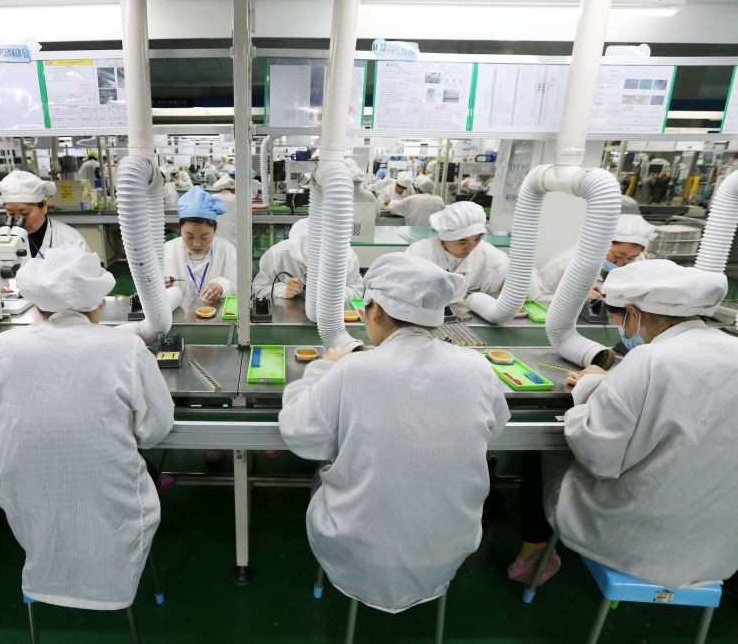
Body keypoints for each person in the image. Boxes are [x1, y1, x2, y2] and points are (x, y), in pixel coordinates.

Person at [279, 252, 510, 612]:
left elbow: (301, 437)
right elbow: (495, 426)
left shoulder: (353, 370)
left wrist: (323, 368)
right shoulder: (477, 368)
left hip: (355, 554)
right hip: (447, 553)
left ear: (377, 311)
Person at [0, 245, 174, 608]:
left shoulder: (3, 346)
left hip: (31, 509)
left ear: (38, 306)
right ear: (99, 304)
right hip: (114, 509)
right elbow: (154, 431)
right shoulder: (126, 348)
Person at [510, 260, 738, 589]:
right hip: (718, 543)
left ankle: (536, 552)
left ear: (632, 313)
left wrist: (591, 388)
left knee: (543, 450)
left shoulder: (650, 360)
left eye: (617, 319)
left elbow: (598, 456)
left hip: (636, 539)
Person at [534, 214, 656, 304]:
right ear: (602, 243)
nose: (622, 263)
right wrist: (571, 298)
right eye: (618, 255)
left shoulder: (639, 261)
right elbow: (537, 297)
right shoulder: (568, 261)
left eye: (631, 258)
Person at [406, 201, 509, 301]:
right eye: (462, 242)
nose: (470, 247)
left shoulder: (494, 259)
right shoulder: (418, 255)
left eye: (477, 239)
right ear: (444, 238)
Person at [252, 218, 363, 301]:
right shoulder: (277, 255)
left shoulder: (346, 257)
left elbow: (357, 291)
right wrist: (283, 290)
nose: (308, 269)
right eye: (304, 264)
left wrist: (333, 293)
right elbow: (257, 290)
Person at [163, 187, 237, 304]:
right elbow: (148, 286)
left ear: (215, 228)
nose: (196, 244)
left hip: (217, 318)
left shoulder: (227, 251)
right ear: (180, 228)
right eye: (189, 236)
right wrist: (159, 287)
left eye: (204, 237)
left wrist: (222, 287)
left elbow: (242, 286)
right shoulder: (167, 251)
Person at [0, 170, 91, 258]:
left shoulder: (70, 239)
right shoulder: (5, 239)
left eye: (24, 213)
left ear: (44, 206)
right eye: (11, 213)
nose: (18, 220)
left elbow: (89, 272)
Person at [211, 171, 238, 246]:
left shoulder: (212, 198)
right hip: (234, 241)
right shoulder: (236, 199)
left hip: (215, 241)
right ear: (233, 188)